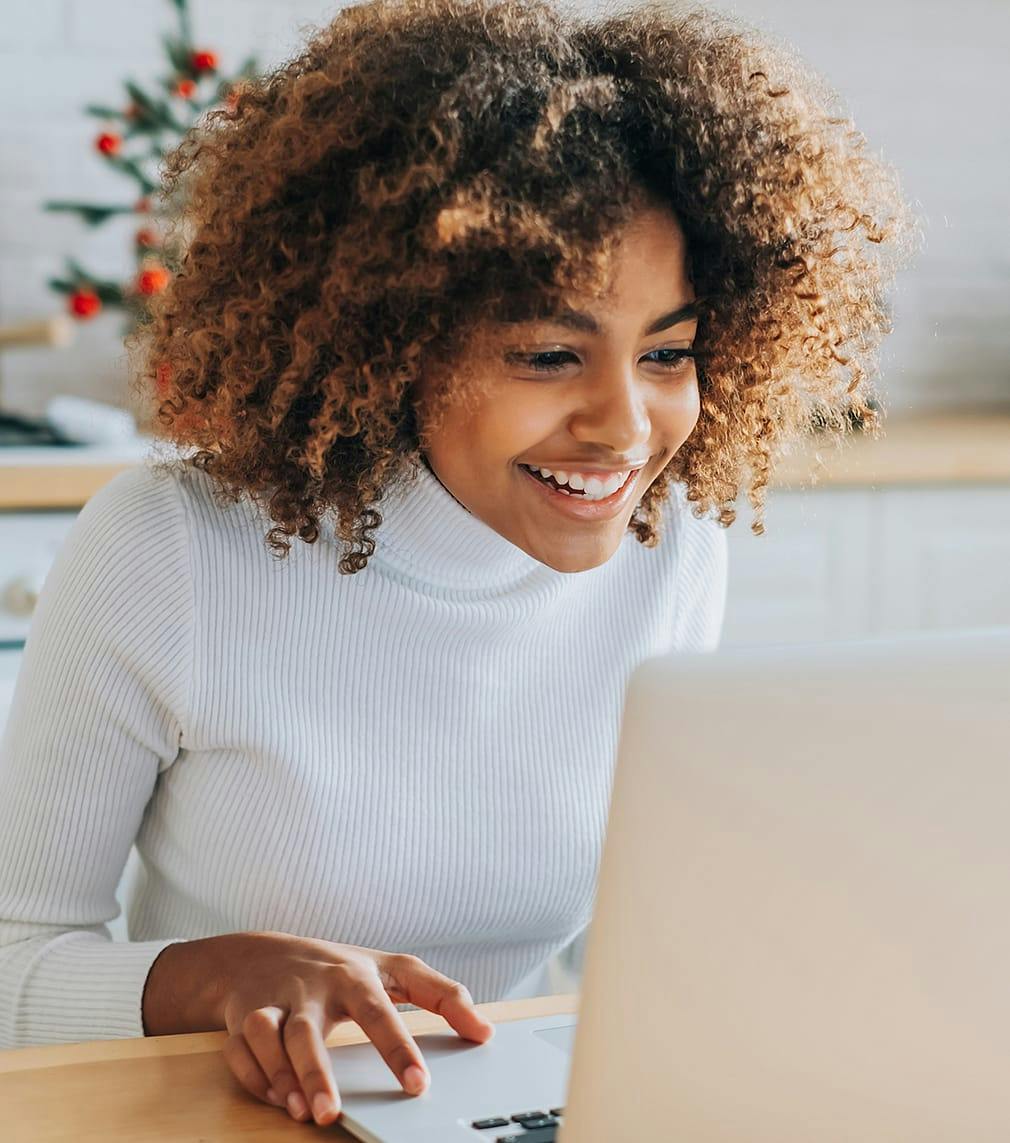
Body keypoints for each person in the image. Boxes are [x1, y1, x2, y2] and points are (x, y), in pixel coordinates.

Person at [0, 0, 913, 1128]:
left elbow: (623, 960)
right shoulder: (173, 549)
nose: (625, 429)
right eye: (549, 353)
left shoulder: (668, 546)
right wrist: (217, 976)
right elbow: (15, 963)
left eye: (668, 351)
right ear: (394, 339)